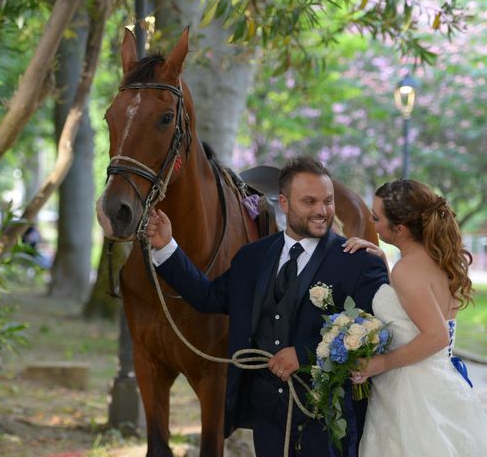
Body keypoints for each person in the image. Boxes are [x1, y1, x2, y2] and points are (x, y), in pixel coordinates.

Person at [146, 156, 388, 457]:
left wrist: (304, 354)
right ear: (284, 204)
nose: (322, 211)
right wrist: (166, 247)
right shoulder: (252, 257)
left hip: (326, 418)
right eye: (309, 202)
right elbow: (208, 297)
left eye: (328, 201)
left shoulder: (358, 262)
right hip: (266, 412)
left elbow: (371, 334)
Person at [343, 179, 487, 456]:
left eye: (377, 217)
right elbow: (413, 308)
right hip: (441, 383)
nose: (371, 222)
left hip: (411, 395)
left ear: (400, 229)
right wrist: (383, 262)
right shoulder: (437, 258)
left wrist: (380, 362)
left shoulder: (408, 270)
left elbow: (437, 335)